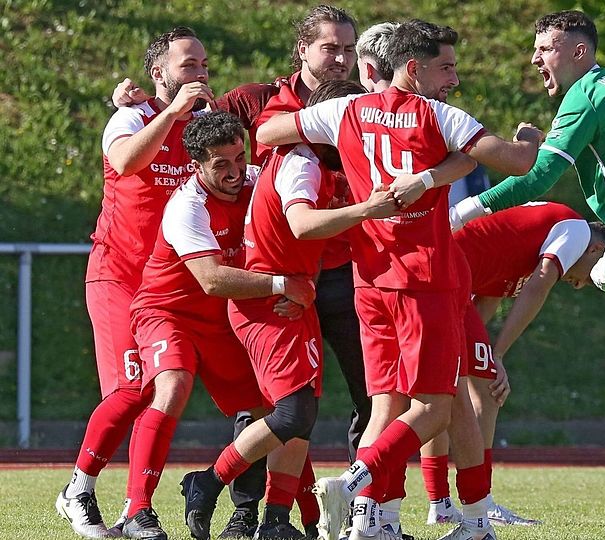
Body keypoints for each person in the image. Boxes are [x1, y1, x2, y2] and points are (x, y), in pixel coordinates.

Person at [257, 19, 542, 540]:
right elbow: (520, 162)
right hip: (426, 279)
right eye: (445, 68)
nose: (454, 79)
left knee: (386, 404)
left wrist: (350, 154)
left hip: (370, 278)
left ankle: (375, 521)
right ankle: (356, 483)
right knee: (435, 406)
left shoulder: (346, 110)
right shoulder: (439, 115)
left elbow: (267, 132)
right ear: (413, 68)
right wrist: (530, 138)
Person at [449, 11, 605, 539]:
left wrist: (462, 212)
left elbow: (538, 177)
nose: (535, 58)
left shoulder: (585, 93)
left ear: (579, 52)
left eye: (546, 47)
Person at [178, 81, 400, 540]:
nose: (361, 133)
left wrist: (305, 284)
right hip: (267, 306)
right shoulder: (301, 163)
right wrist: (367, 209)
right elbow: (300, 225)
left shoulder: (304, 160)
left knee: (301, 414)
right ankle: (209, 481)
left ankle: (276, 520)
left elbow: (294, 236)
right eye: (355, 123)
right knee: (292, 414)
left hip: (291, 300)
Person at [118, 111, 316, 539]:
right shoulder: (186, 206)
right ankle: (137, 509)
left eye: (239, 158)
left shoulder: (259, 181)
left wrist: (299, 287)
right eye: (220, 164)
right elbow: (211, 279)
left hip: (226, 317)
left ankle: (265, 518)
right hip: (168, 312)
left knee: (275, 411)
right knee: (173, 386)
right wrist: (284, 284)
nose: (235, 171)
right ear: (196, 165)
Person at [55, 26, 214, 539]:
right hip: (118, 275)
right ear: (158, 72)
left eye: (203, 64)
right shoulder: (131, 115)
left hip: (167, 287)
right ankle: (78, 489)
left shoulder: (204, 126)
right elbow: (126, 161)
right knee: (132, 388)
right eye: (189, 65)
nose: (200, 73)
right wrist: (170, 113)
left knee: (170, 386)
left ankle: (137, 509)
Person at [422, 202, 605, 527]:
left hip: (441, 276)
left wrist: (481, 354)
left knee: (444, 391)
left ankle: (440, 505)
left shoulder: (529, 243)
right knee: (489, 391)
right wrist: (495, 356)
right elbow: (539, 285)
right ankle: (479, 502)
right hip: (446, 276)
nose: (581, 284)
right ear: (596, 249)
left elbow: (488, 297)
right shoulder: (577, 230)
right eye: (592, 277)